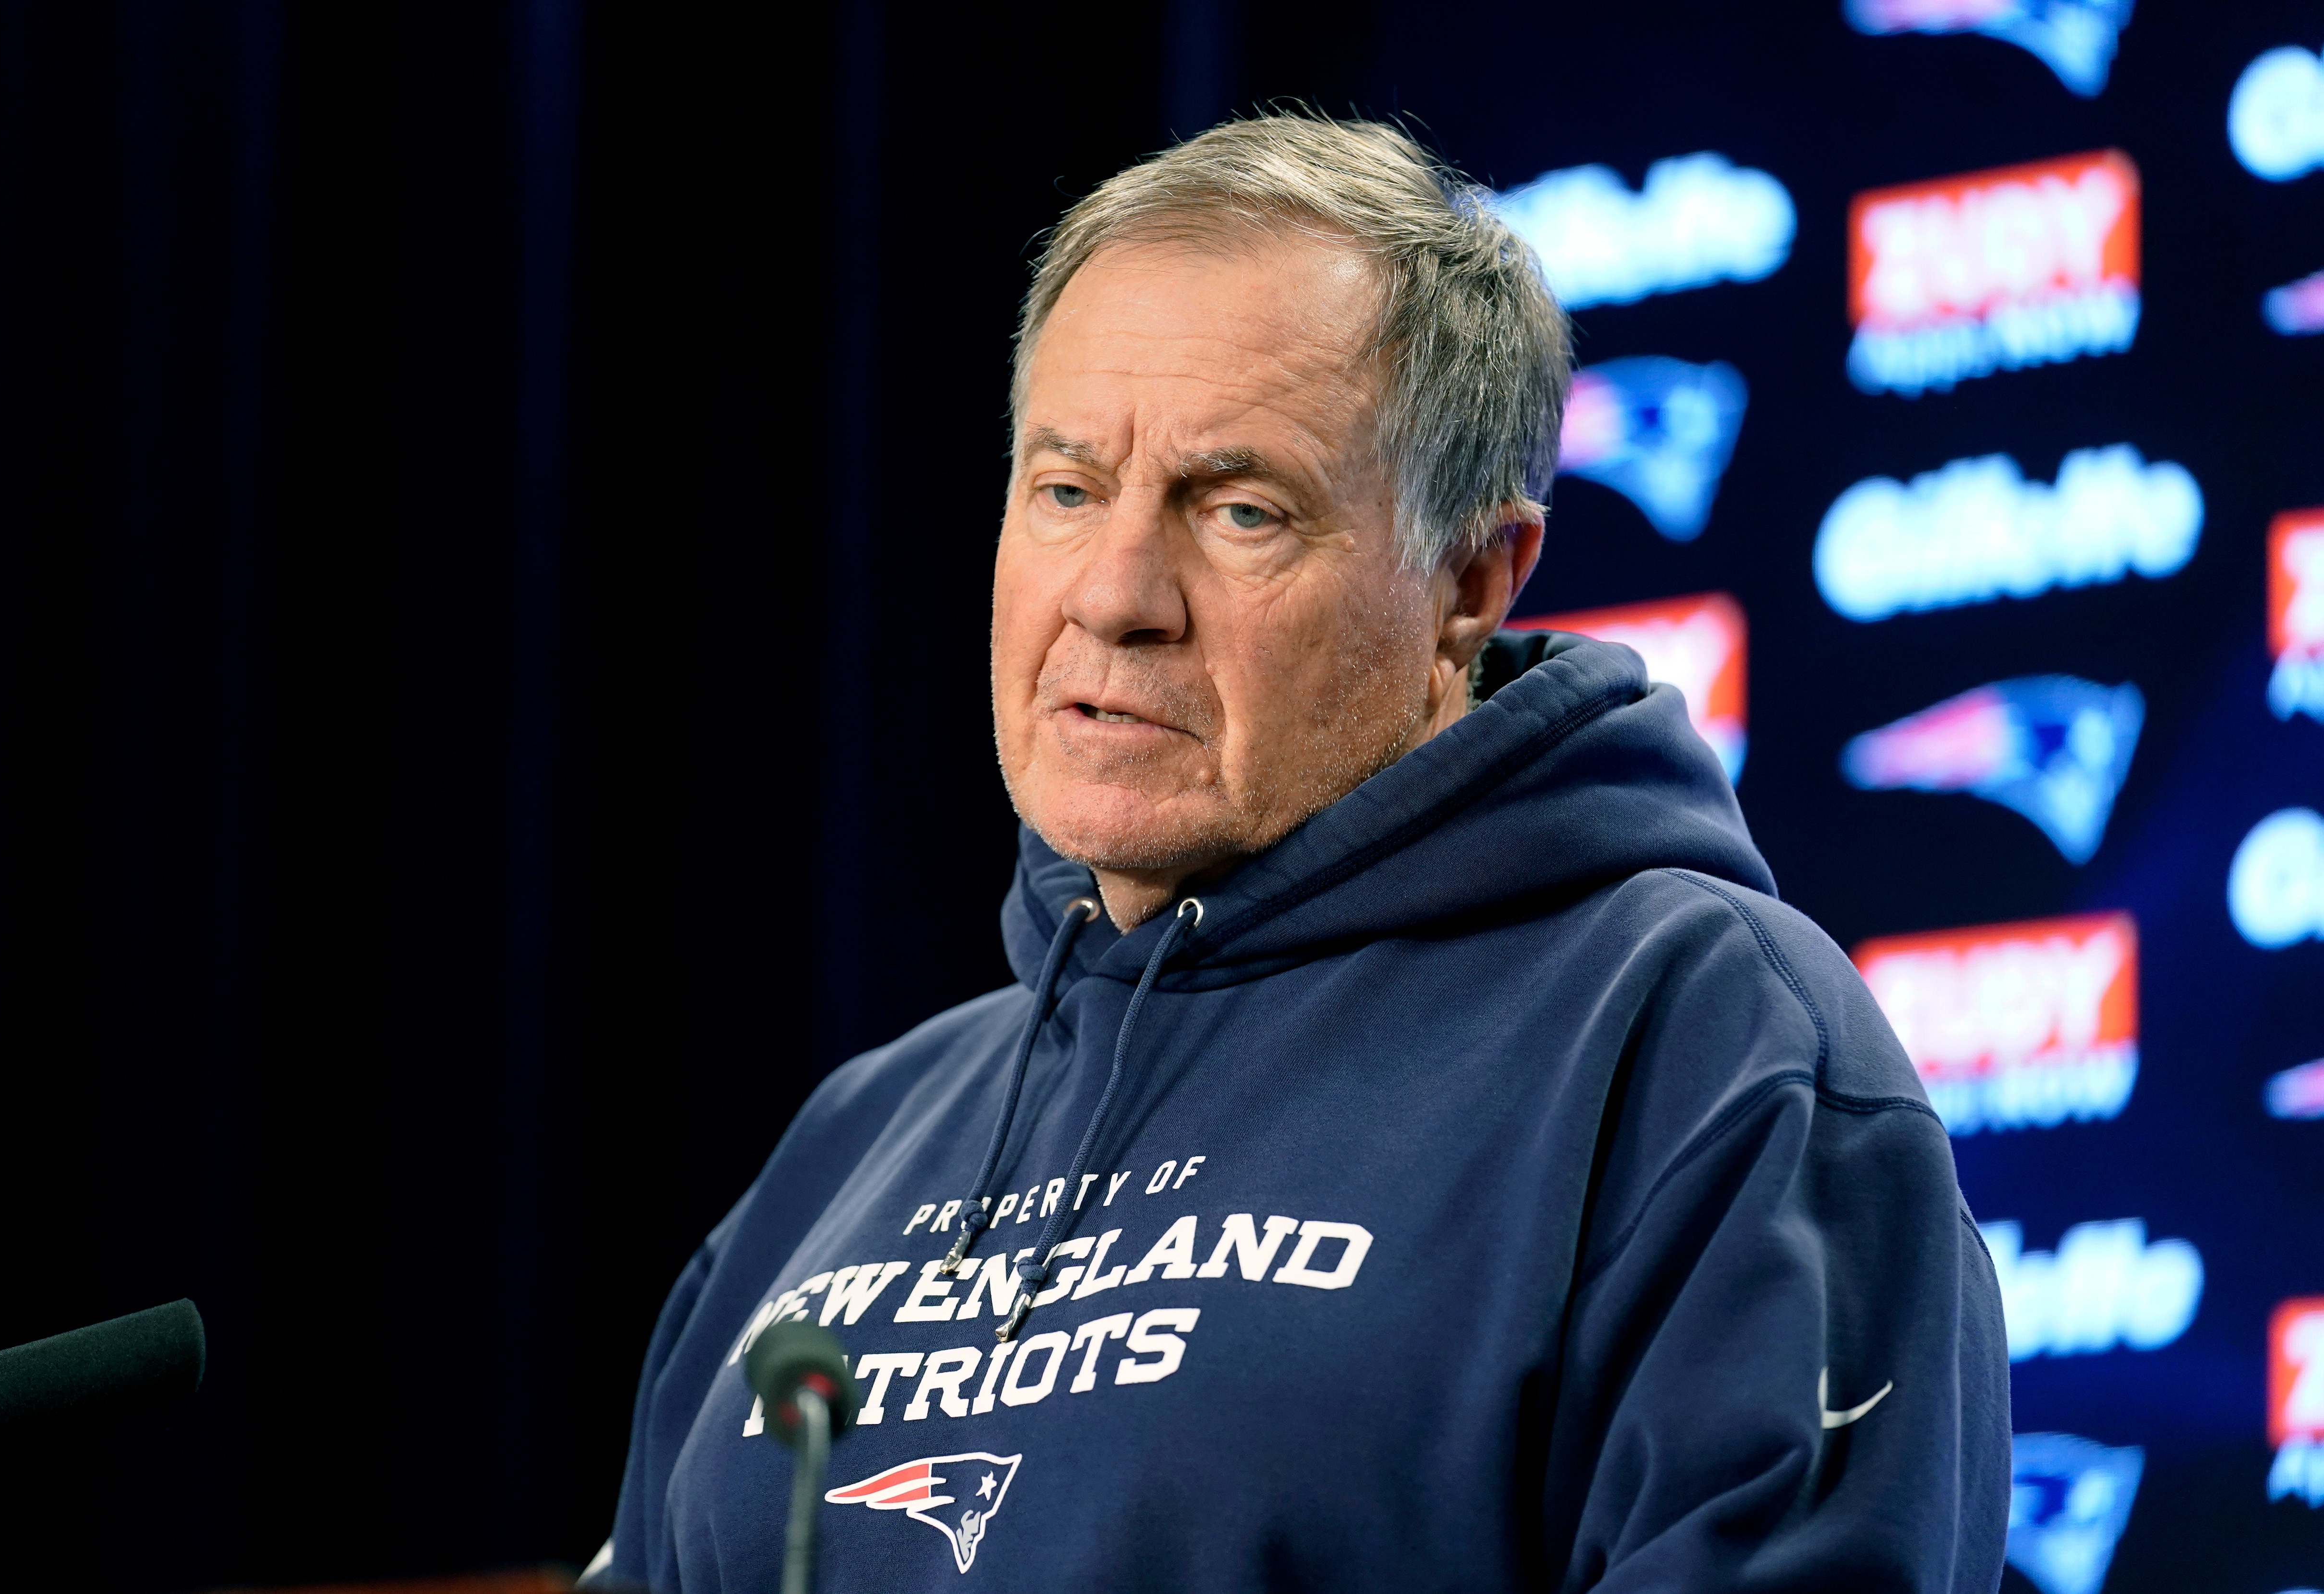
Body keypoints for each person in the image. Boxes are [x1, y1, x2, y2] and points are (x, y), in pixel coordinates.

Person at [585, 113, 2009, 1593]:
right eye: (1067, 490)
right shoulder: (853, 1145)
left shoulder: (1696, 1042)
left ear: (1470, 581)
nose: (1117, 596)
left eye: (1241, 511)